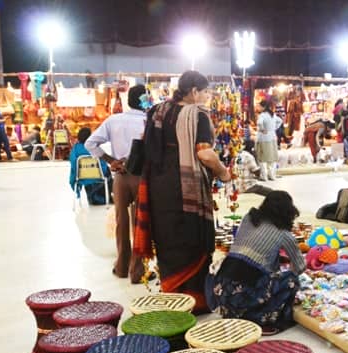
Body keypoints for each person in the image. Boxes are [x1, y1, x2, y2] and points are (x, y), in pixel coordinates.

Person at [133, 71, 231, 311]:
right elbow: (204, 153)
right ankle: (194, 303)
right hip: (186, 192)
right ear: (194, 91)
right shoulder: (197, 115)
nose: (208, 97)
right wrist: (223, 172)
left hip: (158, 188)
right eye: (206, 92)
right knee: (193, 243)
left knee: (166, 242)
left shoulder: (157, 111)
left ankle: (173, 301)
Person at [206, 190, 305, 335]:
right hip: (242, 293)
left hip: (221, 289)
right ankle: (263, 319)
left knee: (260, 276)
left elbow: (251, 252)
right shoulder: (284, 234)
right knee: (291, 280)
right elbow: (300, 267)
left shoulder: (249, 219)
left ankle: (238, 311)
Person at [85, 84, 148, 284]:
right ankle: (137, 271)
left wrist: (110, 160)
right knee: (140, 223)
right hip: (142, 177)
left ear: (128, 100)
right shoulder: (149, 121)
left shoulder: (114, 120)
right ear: (145, 100)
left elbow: (90, 143)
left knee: (121, 221)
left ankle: (121, 267)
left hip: (120, 176)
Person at [68, 127, 111, 205]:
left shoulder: (75, 149)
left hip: (81, 176)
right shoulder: (93, 148)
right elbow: (103, 165)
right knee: (108, 171)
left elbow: (73, 164)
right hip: (98, 175)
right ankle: (106, 196)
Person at [255, 100, 278, 181]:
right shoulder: (272, 114)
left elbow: (259, 123)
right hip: (273, 137)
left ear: (263, 107)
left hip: (264, 138)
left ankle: (264, 176)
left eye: (259, 106)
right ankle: (272, 175)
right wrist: (274, 129)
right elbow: (280, 121)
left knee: (262, 157)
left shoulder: (262, 115)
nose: (258, 107)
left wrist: (262, 129)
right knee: (272, 157)